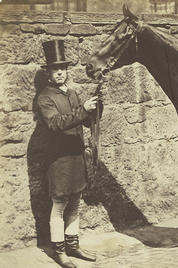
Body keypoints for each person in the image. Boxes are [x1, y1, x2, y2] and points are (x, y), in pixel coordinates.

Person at [37, 40, 101, 268]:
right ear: (49, 73)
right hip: (59, 161)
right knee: (59, 205)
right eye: (55, 70)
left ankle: (73, 245)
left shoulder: (72, 94)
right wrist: (83, 110)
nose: (60, 73)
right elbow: (55, 123)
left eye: (62, 69)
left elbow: (82, 121)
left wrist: (94, 110)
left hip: (76, 157)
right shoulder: (45, 98)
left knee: (75, 204)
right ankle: (59, 250)